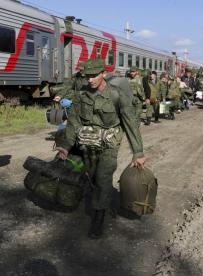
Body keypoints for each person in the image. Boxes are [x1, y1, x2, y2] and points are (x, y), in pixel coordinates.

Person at [55, 58, 146, 239]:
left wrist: (138, 152)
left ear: (104, 74)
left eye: (94, 76)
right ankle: (98, 200)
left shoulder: (117, 95)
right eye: (87, 76)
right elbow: (74, 122)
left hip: (108, 145)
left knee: (103, 178)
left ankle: (98, 219)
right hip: (87, 143)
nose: (90, 80)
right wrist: (65, 146)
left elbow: (130, 124)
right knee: (93, 176)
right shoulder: (82, 95)